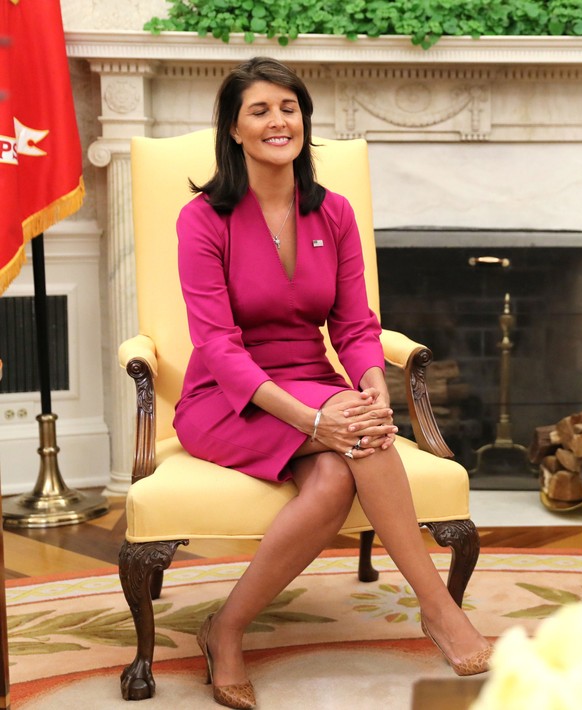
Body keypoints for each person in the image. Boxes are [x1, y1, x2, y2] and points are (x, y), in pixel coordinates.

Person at [173, 57, 491, 709]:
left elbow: (354, 323)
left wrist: (373, 382)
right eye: (259, 110)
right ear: (233, 129)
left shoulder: (334, 213)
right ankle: (437, 607)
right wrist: (317, 420)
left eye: (289, 108)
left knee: (341, 463)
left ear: (304, 121)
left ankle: (226, 628)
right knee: (367, 440)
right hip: (227, 397)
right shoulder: (202, 219)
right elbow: (218, 346)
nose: (277, 121)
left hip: (315, 382)